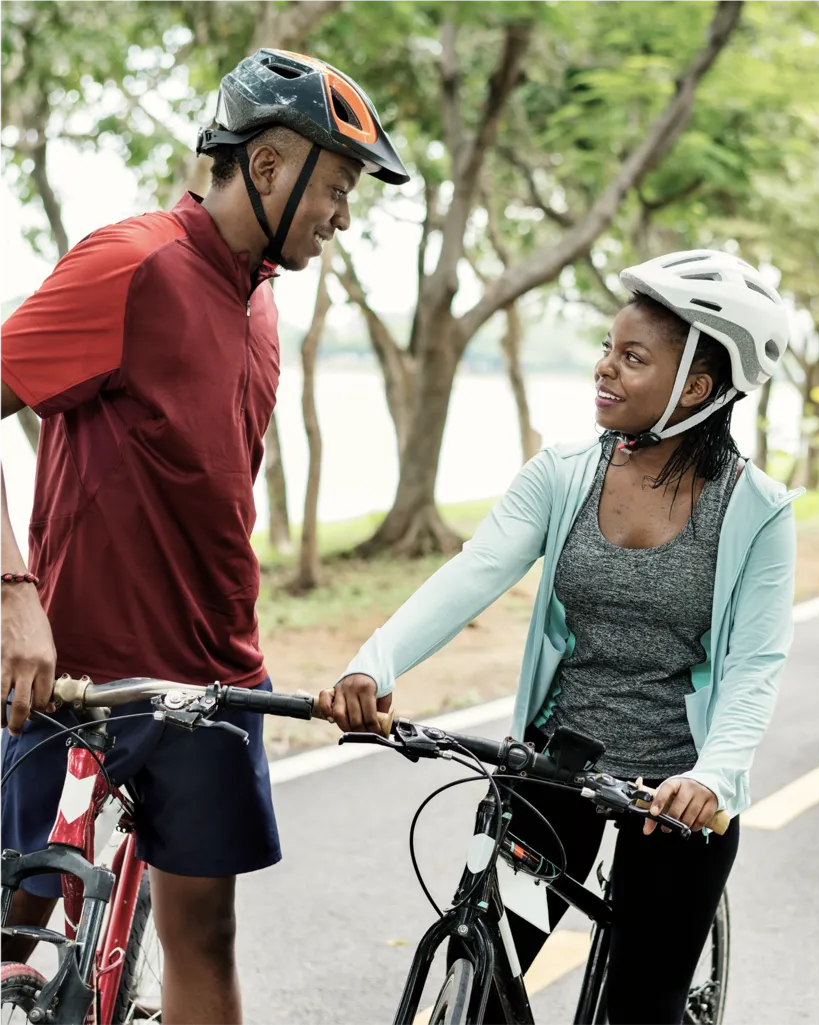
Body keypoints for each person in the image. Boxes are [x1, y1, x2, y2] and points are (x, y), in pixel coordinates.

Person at [0, 48, 407, 1025]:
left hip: (217, 681)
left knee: (207, 936)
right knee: (17, 918)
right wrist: (12, 590)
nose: (343, 215)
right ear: (267, 167)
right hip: (81, 677)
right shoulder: (131, 262)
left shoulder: (262, 304)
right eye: (337, 189)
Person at [321, 250, 801, 1023]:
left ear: (697, 388)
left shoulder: (758, 512)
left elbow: (756, 663)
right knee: (483, 965)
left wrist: (714, 777)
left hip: (678, 796)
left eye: (631, 357)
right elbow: (473, 572)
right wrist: (373, 665)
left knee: (640, 1008)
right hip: (559, 762)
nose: (603, 368)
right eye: (608, 348)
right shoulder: (564, 473)